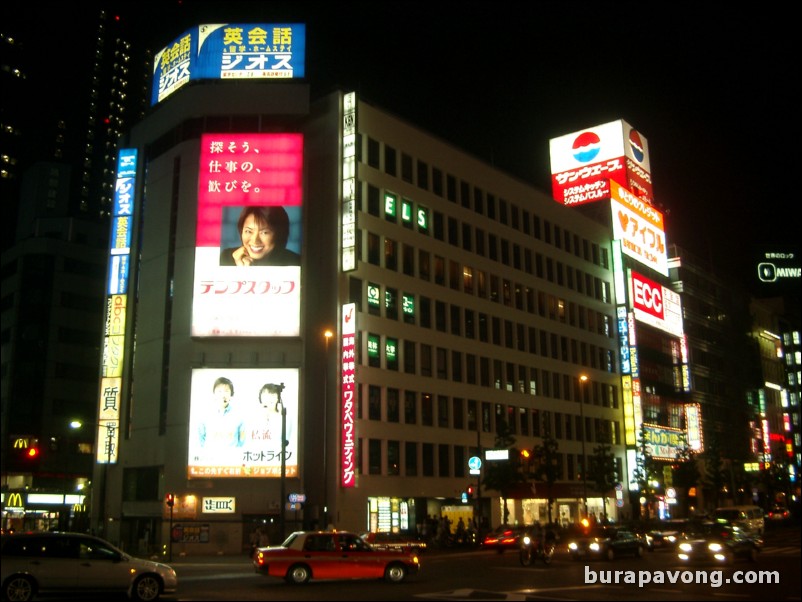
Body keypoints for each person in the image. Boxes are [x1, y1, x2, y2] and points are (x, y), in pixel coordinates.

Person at [220, 205, 300, 266]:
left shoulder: (295, 261)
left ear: (279, 234)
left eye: (264, 232)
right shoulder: (226, 258)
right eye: (248, 231)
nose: (255, 240)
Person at [197, 376, 245, 451]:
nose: (223, 395)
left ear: (231, 394)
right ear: (214, 394)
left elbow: (242, 441)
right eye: (219, 391)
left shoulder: (239, 416)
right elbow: (200, 439)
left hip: (231, 460)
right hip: (210, 460)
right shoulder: (205, 415)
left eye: (226, 391)